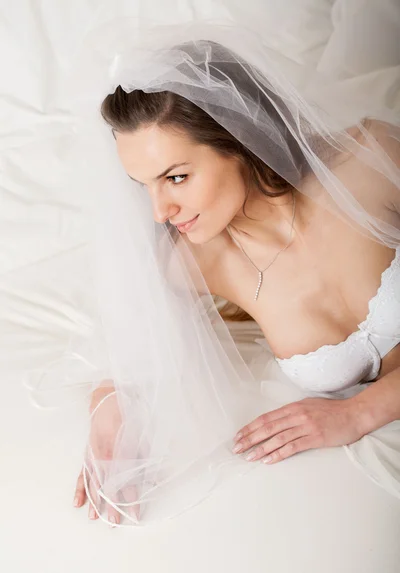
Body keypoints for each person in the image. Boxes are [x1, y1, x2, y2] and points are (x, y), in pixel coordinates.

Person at [25, 26, 400, 529]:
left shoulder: (369, 162)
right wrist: (110, 408)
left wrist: (359, 413)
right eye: (145, 186)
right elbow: (125, 343)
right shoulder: (195, 262)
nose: (161, 211)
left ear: (240, 139)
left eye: (176, 177)